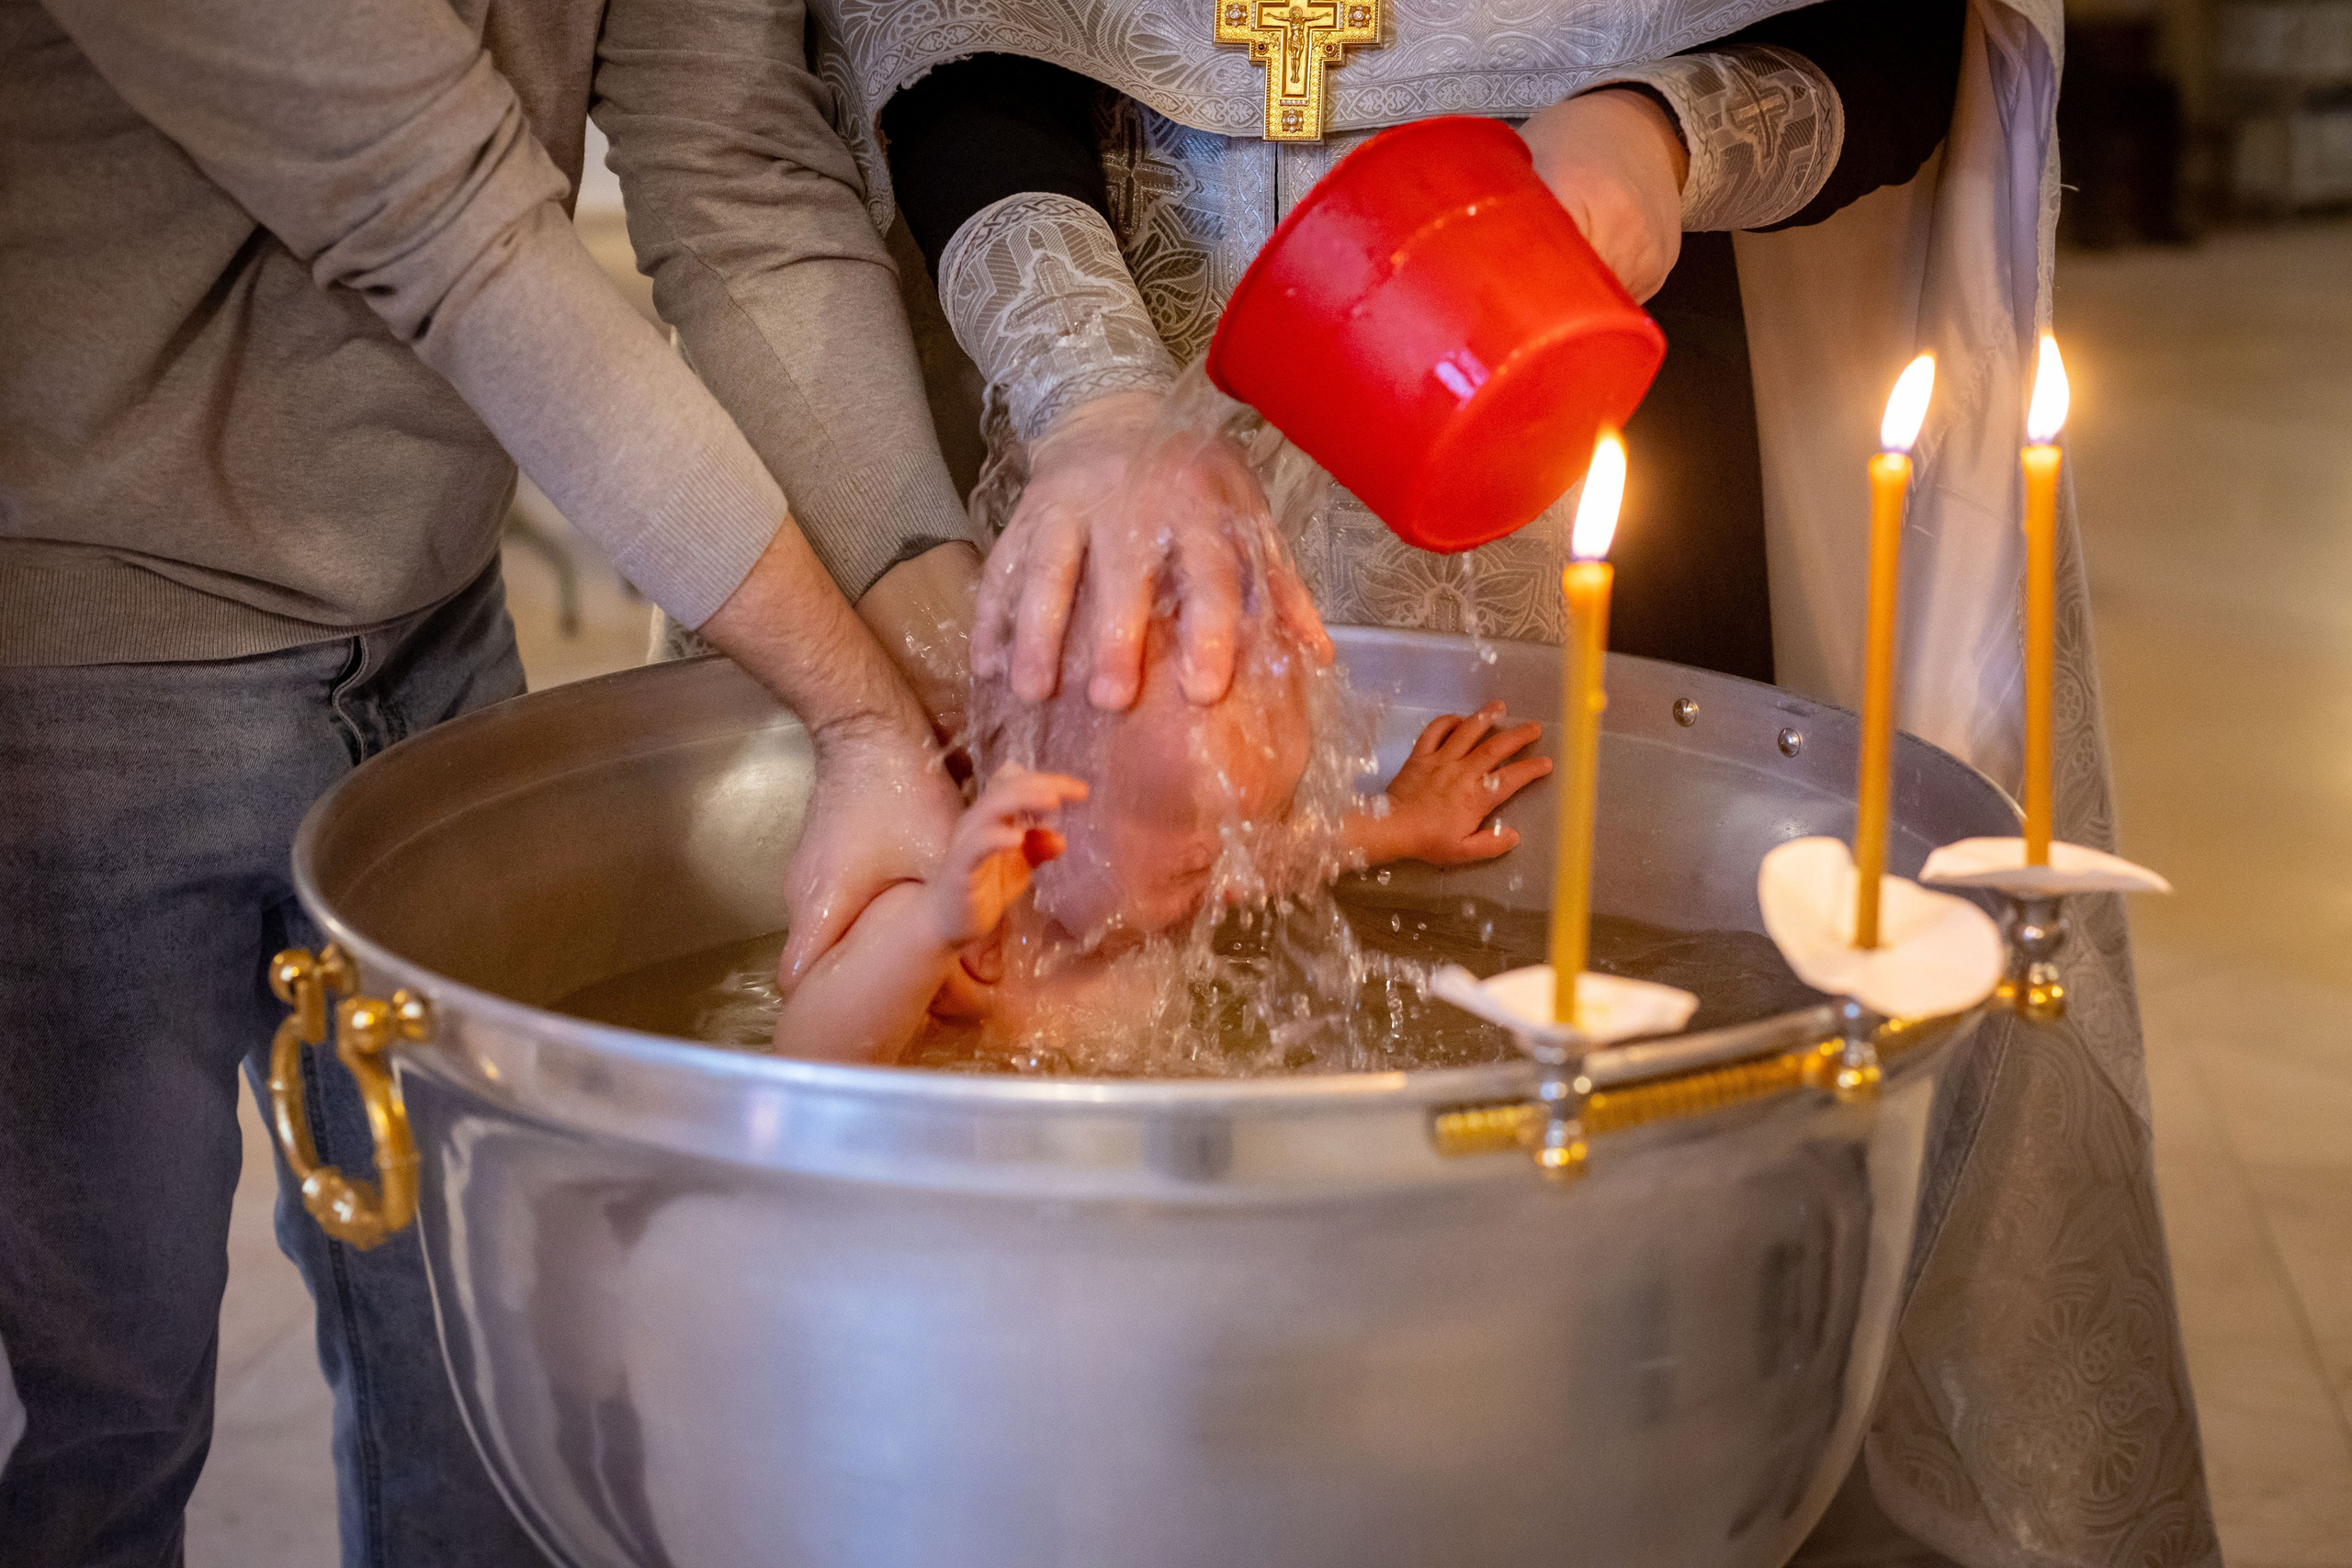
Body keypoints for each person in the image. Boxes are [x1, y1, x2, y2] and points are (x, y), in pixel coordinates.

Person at [786, 3, 2223, 1567]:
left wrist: (1664, 133)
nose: (1277, 645)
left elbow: (1250, 863)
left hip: (1593, 354)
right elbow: (815, 1058)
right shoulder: (998, 936)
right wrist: (936, 902)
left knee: (1570, 1285)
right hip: (1103, 289)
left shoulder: (1135, 881)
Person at [0, 0, 974, 1561]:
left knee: (480, 1367)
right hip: (87, 659)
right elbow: (453, 235)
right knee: (97, 1416)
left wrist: (940, 611)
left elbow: (732, 180)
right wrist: (862, 717)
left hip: (433, 626)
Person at [773, 600, 1548, 1065]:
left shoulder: (1168, 870)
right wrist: (931, 928)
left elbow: (1276, 856)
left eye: (1245, 839)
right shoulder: (968, 932)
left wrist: (1407, 821)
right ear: (1047, 816)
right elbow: (806, 1055)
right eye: (1192, 872)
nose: (1236, 884)